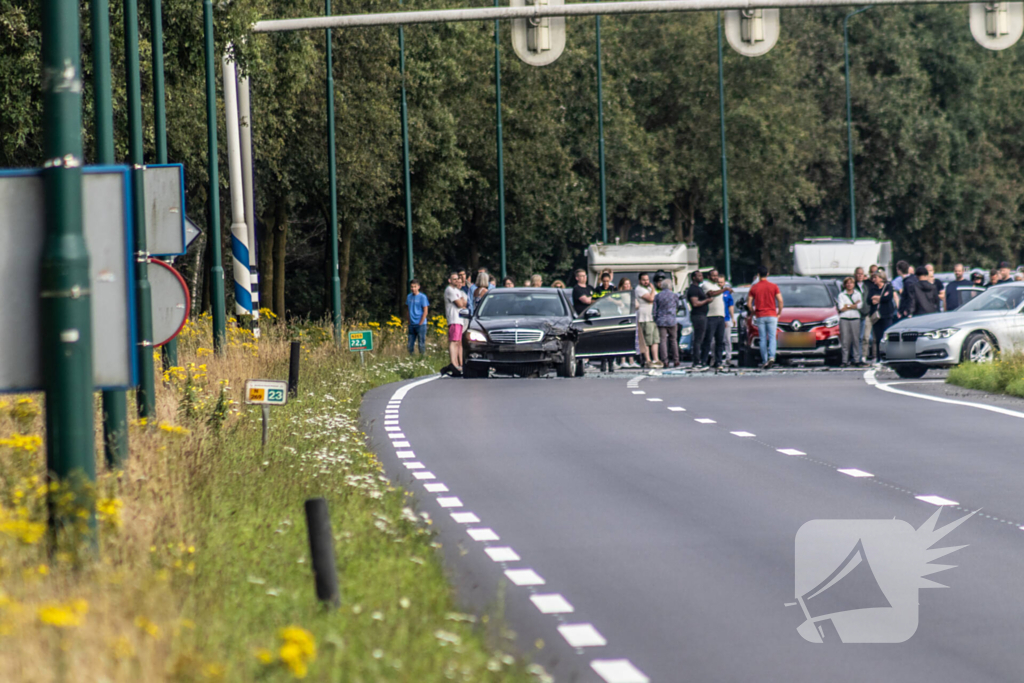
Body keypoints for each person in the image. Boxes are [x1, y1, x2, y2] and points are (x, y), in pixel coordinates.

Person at [747, 265, 783, 369]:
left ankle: (764, 360)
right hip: (772, 315)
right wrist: (779, 313)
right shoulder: (773, 286)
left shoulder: (754, 287)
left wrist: (753, 312)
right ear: (767, 274)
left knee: (762, 338)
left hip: (760, 315)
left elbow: (749, 303)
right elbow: (780, 300)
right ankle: (772, 356)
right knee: (772, 337)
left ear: (758, 275)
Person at [685, 271, 712, 369]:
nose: (701, 277)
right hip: (698, 316)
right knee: (698, 339)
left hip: (703, 315)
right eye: (699, 276)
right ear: (693, 278)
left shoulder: (699, 288)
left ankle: (701, 359)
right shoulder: (693, 289)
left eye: (701, 275)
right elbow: (695, 303)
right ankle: (697, 361)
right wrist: (707, 300)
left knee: (702, 338)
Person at [443, 271, 467, 376]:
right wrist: (461, 302)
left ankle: (459, 363)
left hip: (460, 319)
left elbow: (464, 303)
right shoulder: (449, 290)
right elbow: (459, 304)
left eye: (457, 279)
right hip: (454, 319)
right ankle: (454, 363)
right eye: (454, 279)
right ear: (449, 280)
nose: (456, 280)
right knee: (454, 341)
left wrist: (461, 302)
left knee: (459, 342)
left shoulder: (457, 291)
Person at [703, 271, 728, 370]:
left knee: (719, 341)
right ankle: (704, 361)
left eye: (717, 275)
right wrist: (724, 289)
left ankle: (718, 362)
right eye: (713, 275)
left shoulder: (718, 286)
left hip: (720, 316)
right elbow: (711, 294)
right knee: (708, 340)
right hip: (710, 316)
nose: (715, 277)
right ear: (709, 276)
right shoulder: (706, 285)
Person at [653, 277, 680, 368]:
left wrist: (656, 319)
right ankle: (676, 360)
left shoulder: (658, 296)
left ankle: (665, 361)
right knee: (673, 340)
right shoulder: (674, 295)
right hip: (672, 320)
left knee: (663, 341)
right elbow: (678, 305)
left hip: (661, 320)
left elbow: (654, 310)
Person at [837, 277, 863, 367]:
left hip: (855, 318)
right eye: (847, 283)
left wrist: (848, 306)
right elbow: (841, 308)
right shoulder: (841, 295)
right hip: (844, 318)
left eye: (851, 283)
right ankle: (845, 360)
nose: (849, 285)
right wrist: (853, 305)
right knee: (845, 341)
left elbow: (859, 306)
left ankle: (856, 359)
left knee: (856, 340)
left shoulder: (857, 294)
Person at [867, 270, 896, 351]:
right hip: (877, 317)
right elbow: (869, 300)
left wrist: (877, 298)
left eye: (875, 277)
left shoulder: (888, 286)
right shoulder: (872, 288)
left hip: (886, 315)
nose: (873, 280)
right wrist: (881, 297)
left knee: (887, 337)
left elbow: (888, 297)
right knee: (878, 338)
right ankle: (879, 357)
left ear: (881, 278)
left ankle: (888, 355)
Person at [635, 272, 659, 367]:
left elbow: (656, 298)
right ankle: (648, 360)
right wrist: (653, 289)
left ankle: (656, 359)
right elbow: (651, 298)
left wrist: (652, 290)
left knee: (655, 339)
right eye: (644, 280)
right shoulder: (639, 289)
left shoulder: (648, 289)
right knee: (646, 340)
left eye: (647, 280)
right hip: (644, 318)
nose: (646, 282)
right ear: (640, 280)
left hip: (652, 317)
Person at [405, 279, 430, 355]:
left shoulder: (422, 297)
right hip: (411, 324)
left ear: (418, 287)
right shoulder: (409, 297)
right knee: (410, 345)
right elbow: (408, 309)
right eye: (412, 287)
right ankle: (411, 359)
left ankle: (422, 359)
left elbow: (425, 311)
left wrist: (420, 322)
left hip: (420, 324)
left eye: (415, 287)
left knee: (421, 344)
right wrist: (409, 321)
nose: (413, 289)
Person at [853, 267, 872, 359]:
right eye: (858, 274)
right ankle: (855, 356)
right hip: (855, 314)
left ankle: (863, 356)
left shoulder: (866, 286)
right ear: (855, 275)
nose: (860, 276)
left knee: (865, 337)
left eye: (861, 274)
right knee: (855, 337)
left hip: (865, 314)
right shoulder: (852, 286)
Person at [720, 274, 735, 367]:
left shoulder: (727, 293)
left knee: (727, 339)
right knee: (716, 340)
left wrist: (732, 317)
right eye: (718, 282)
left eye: (721, 282)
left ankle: (728, 357)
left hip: (726, 318)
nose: (720, 284)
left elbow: (731, 306)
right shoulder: (714, 291)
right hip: (717, 318)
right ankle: (716, 357)